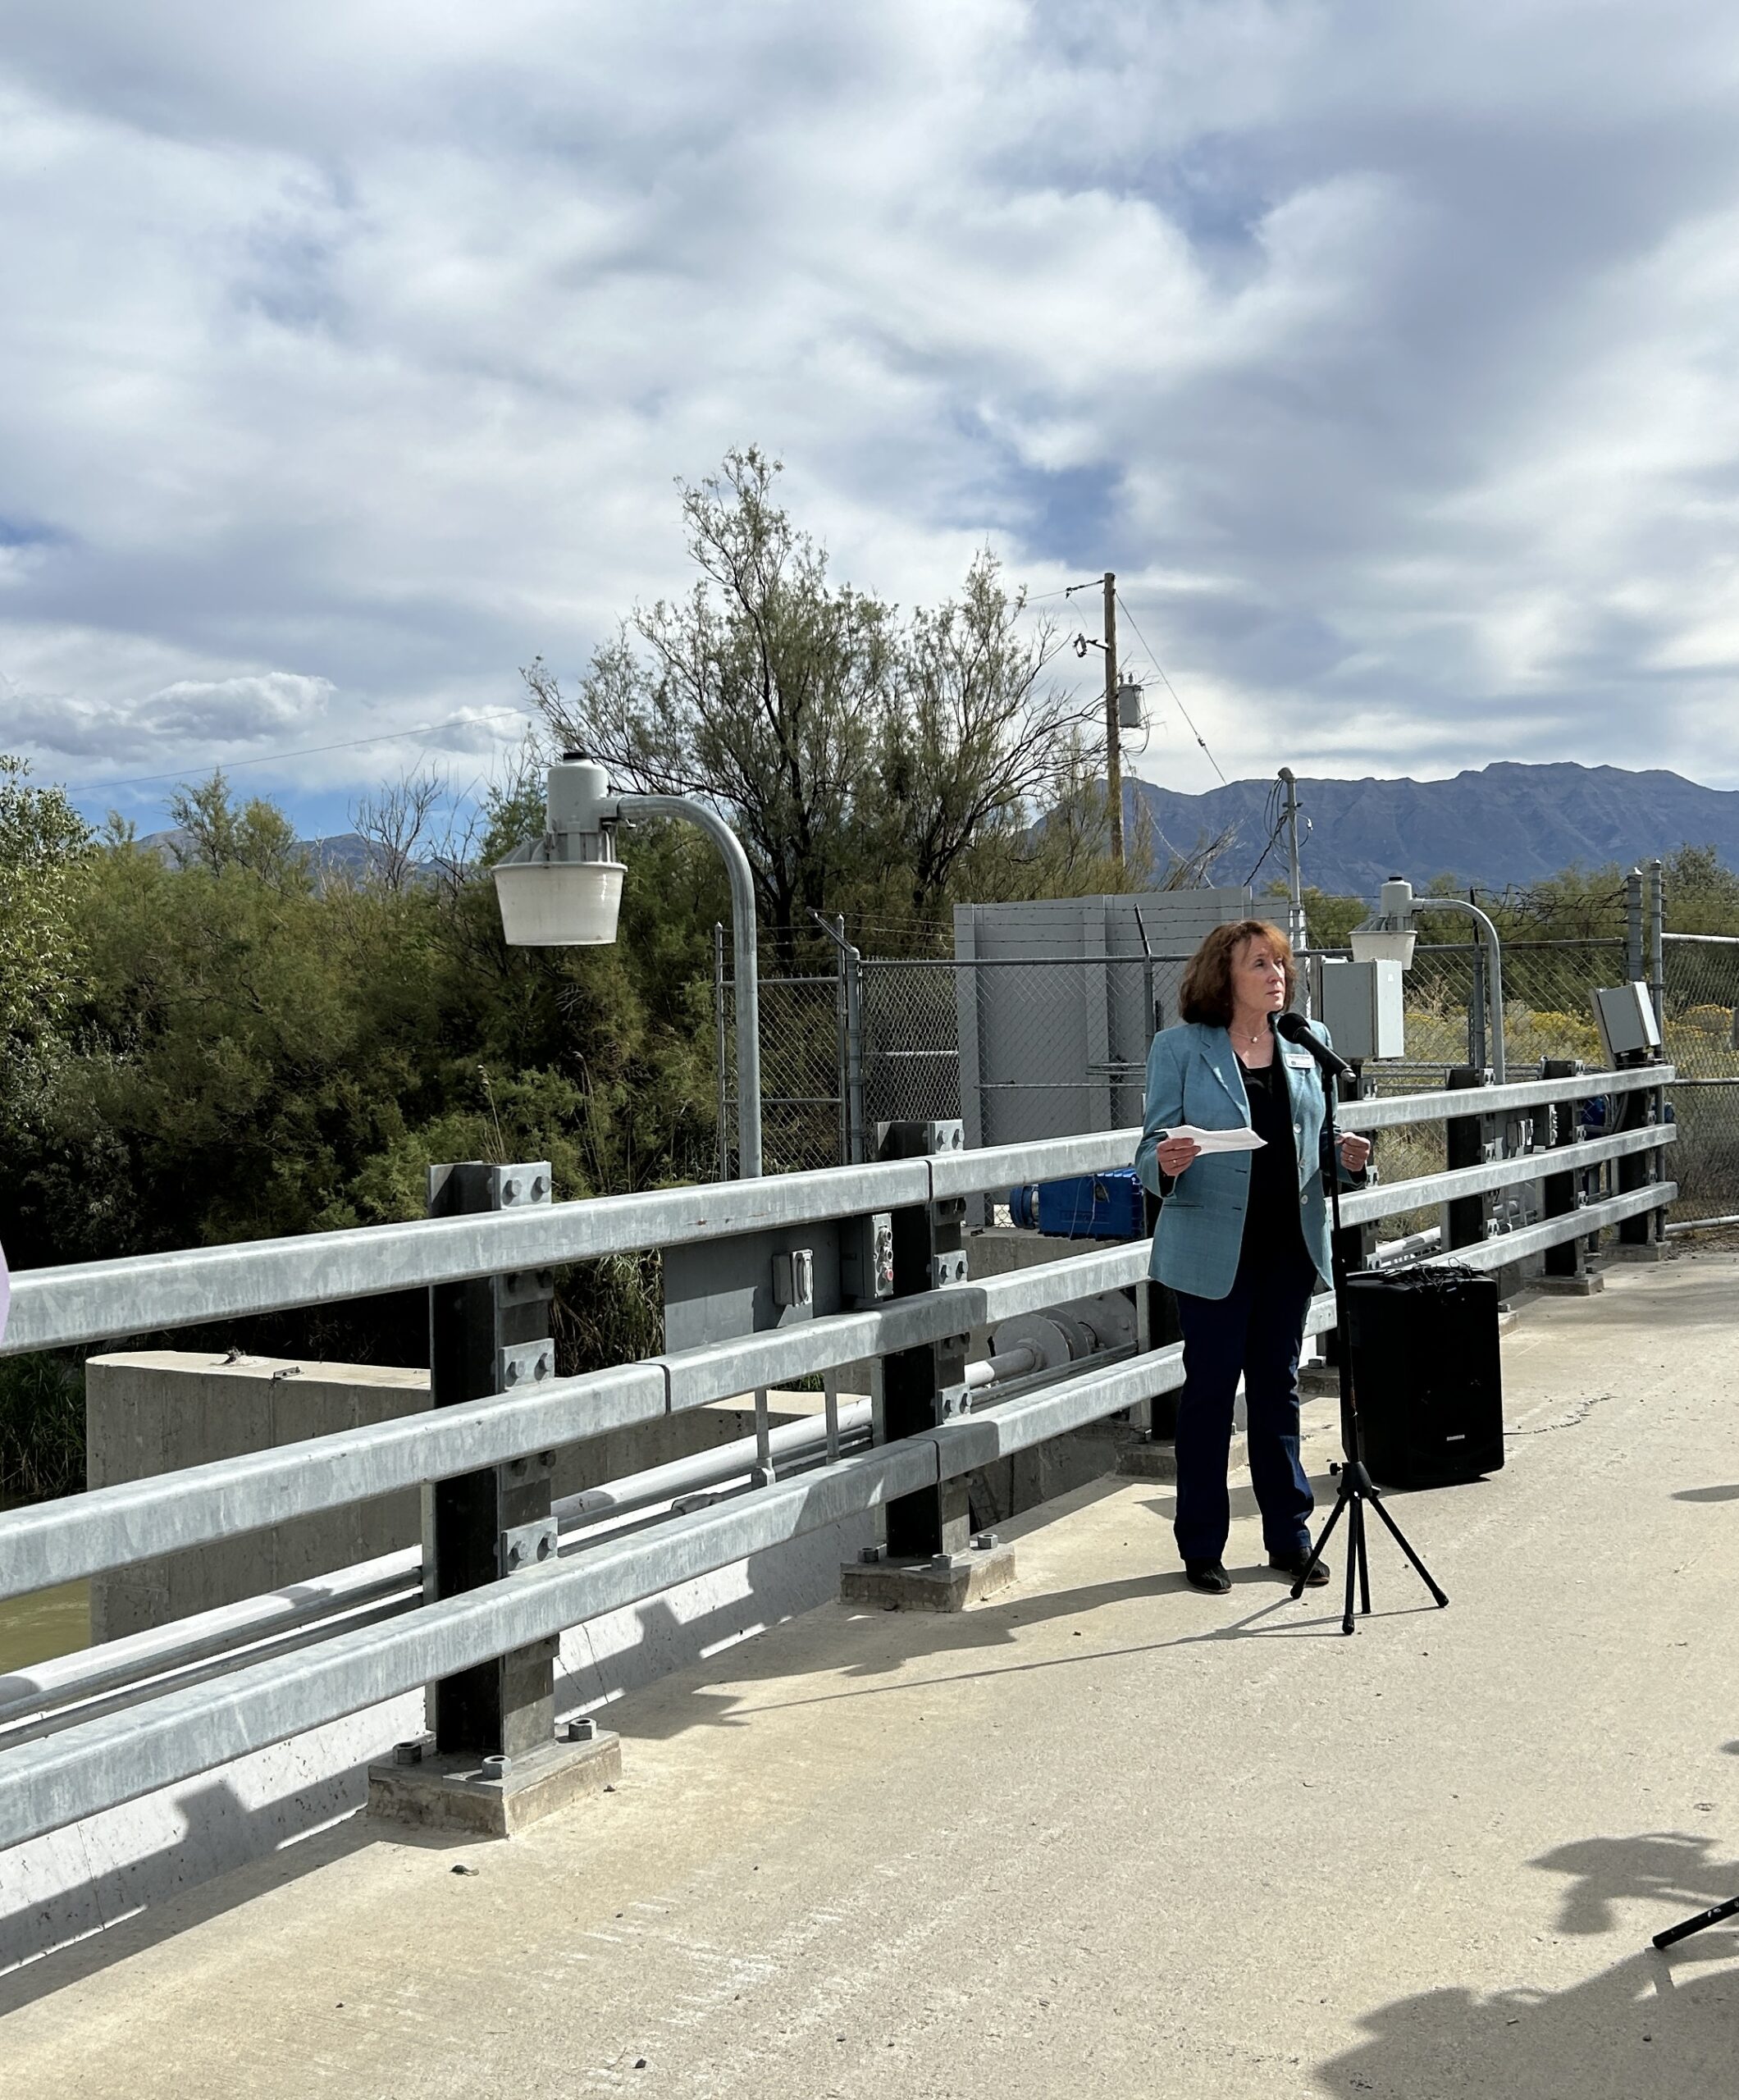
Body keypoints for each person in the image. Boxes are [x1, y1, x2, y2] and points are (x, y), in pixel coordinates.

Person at [1134, 920, 1371, 1595]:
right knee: (1209, 1397)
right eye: (1260, 964)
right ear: (1224, 977)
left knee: (1278, 1391)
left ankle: (1290, 1536)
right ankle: (1202, 1546)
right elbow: (1148, 1151)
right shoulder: (1179, 1048)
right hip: (1213, 1251)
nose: (1277, 974)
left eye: (1280, 963)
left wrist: (1346, 1161)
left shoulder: (1307, 1042)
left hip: (1288, 1248)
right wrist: (1167, 1160)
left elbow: (1314, 1148)